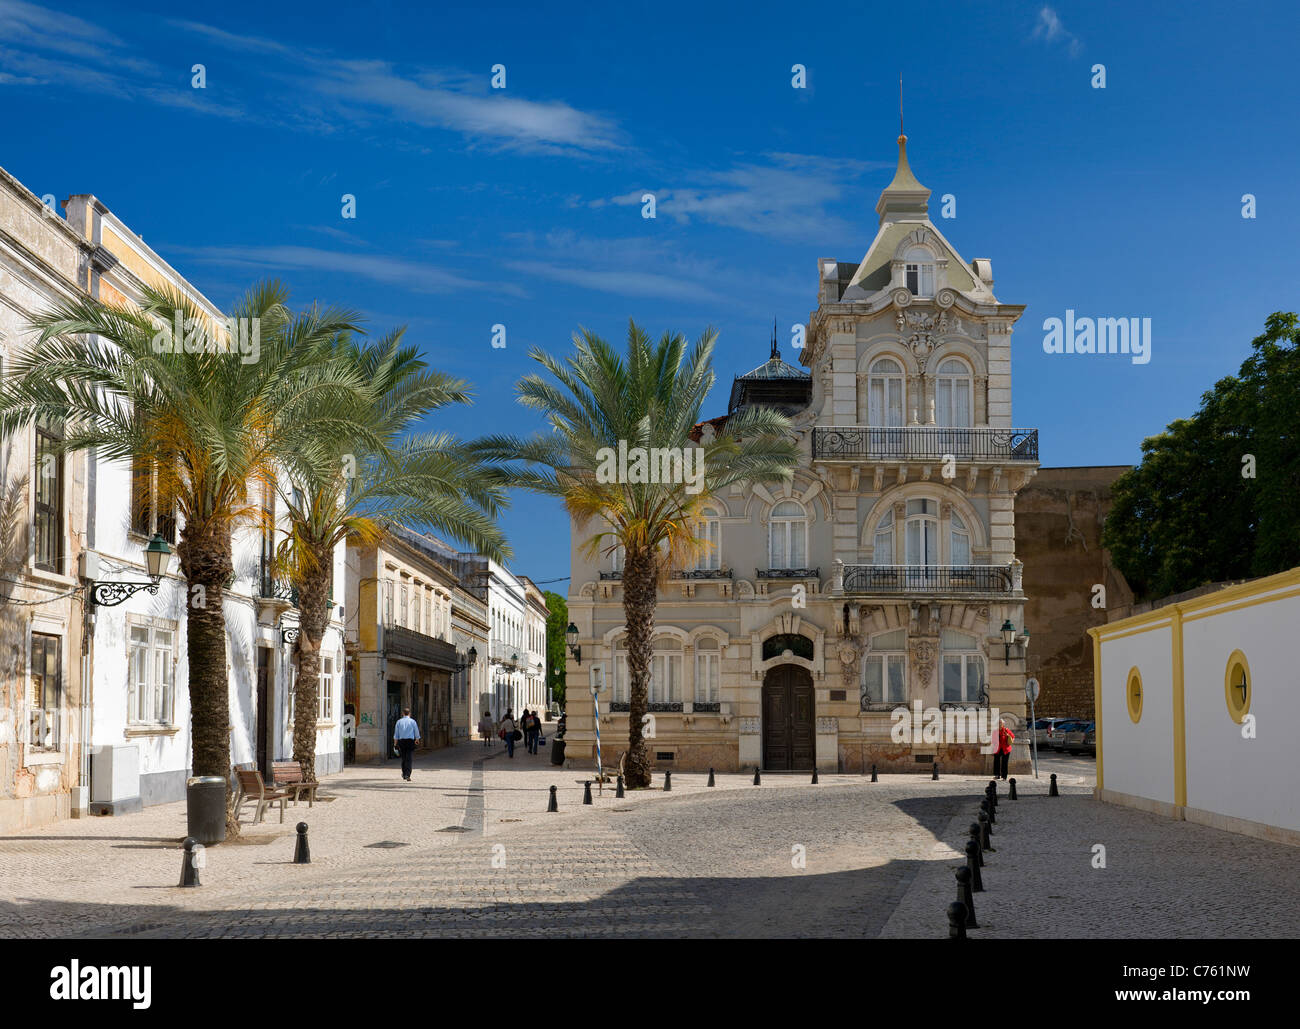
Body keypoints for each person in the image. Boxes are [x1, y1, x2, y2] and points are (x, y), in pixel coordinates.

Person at [393, 707, 421, 781]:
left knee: (403, 758)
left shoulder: (399, 722)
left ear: (403, 713)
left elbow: (396, 734)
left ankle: (404, 773)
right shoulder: (413, 721)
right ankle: (407, 774)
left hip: (401, 741)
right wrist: (417, 739)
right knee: (409, 758)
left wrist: (395, 744)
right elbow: (416, 731)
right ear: (409, 713)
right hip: (410, 741)